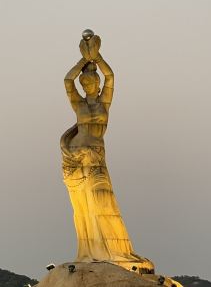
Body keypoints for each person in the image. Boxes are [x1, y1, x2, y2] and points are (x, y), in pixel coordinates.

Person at [60, 31, 154, 274]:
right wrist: (83, 61)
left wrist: (96, 57)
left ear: (97, 84)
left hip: (97, 160)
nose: (88, 84)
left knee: (104, 203)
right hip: (76, 160)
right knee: (84, 208)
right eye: (85, 82)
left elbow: (111, 75)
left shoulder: (104, 102)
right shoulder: (78, 104)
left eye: (91, 81)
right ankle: (90, 253)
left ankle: (115, 254)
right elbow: (67, 81)